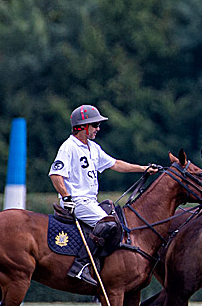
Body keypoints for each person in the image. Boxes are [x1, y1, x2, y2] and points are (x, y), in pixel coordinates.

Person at [49, 105, 159, 286]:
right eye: (95, 125)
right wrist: (66, 197)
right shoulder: (68, 147)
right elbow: (55, 174)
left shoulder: (93, 147)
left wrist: (142, 169)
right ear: (83, 127)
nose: (98, 129)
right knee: (109, 225)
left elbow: (115, 164)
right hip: (77, 201)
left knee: (115, 220)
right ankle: (80, 265)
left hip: (91, 201)